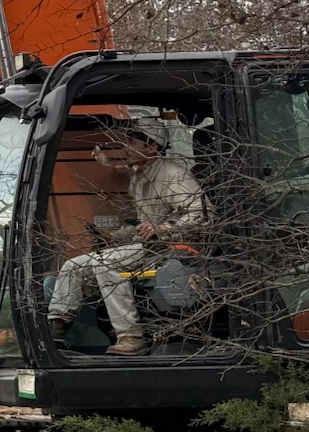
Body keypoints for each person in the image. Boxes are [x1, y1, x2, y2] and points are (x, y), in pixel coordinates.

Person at [48, 122, 206, 355]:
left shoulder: (174, 175)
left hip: (172, 248)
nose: (125, 149)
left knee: (106, 264)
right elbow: (144, 223)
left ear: (152, 146)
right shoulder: (139, 177)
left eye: (131, 143)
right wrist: (115, 235)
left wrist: (164, 228)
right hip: (149, 246)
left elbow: (202, 215)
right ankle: (57, 328)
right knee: (73, 266)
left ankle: (131, 336)